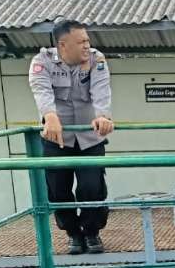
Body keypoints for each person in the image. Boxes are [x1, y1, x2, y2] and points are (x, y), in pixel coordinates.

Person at [29, 19, 114, 255]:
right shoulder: (42, 62)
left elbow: (101, 90)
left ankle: (91, 232)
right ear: (63, 45)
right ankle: (73, 233)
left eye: (88, 40)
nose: (87, 46)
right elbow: (41, 90)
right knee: (58, 191)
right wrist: (49, 115)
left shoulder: (97, 60)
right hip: (57, 139)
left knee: (92, 187)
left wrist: (103, 116)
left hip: (90, 137)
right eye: (81, 42)